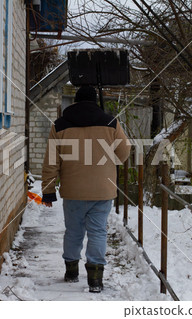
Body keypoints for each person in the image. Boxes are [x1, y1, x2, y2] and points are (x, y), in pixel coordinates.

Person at [41, 85, 131, 293]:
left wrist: (48, 191)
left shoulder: (60, 125)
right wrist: (110, 162)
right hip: (103, 189)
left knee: (73, 232)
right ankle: (96, 279)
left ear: (75, 101)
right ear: (95, 102)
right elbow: (124, 151)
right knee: (98, 232)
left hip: (73, 191)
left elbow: (51, 161)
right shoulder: (111, 123)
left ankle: (71, 272)